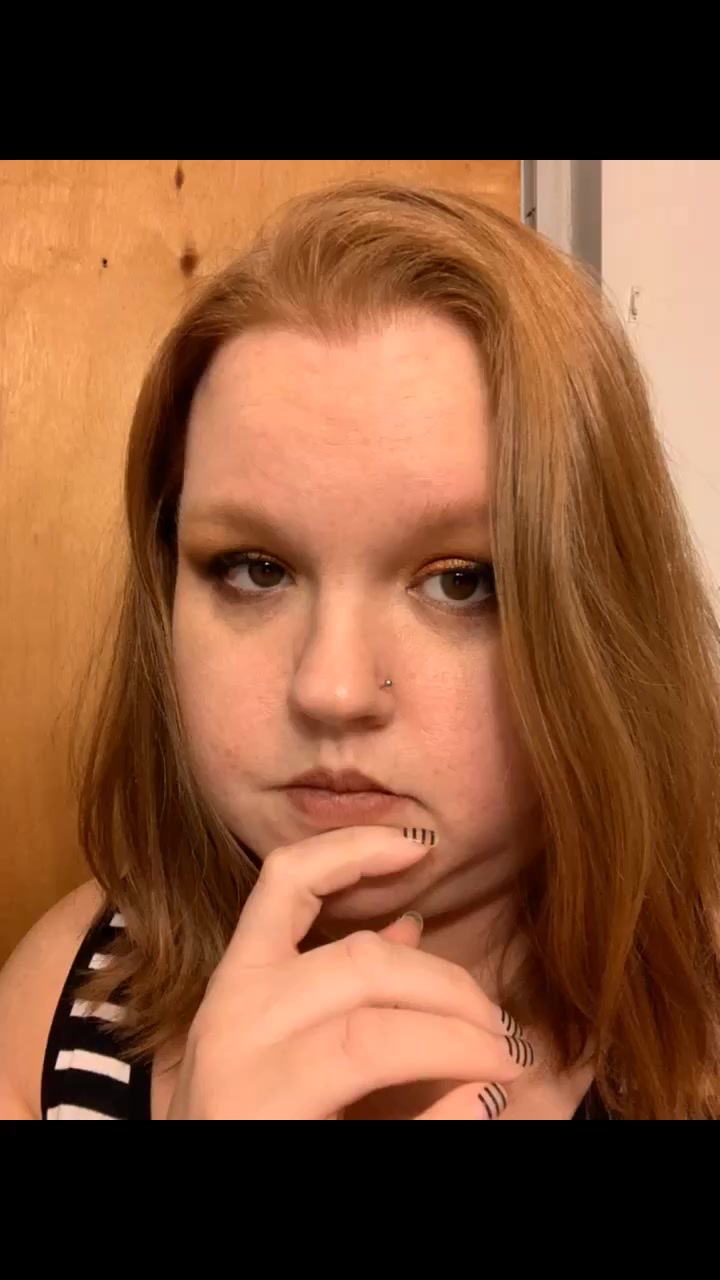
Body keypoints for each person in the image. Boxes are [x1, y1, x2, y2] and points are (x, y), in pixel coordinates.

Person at [1, 180, 719, 1121]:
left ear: (601, 615)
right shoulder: (66, 1000)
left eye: (461, 582)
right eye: (255, 570)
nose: (333, 690)